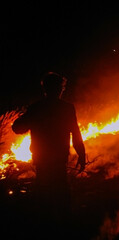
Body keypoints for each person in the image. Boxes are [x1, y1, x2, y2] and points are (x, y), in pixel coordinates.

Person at [12, 71, 86, 236]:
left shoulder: (37, 108)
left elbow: (18, 128)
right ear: (60, 89)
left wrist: (25, 116)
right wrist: (81, 155)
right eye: (60, 87)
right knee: (62, 196)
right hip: (58, 160)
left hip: (42, 160)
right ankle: (65, 230)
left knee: (45, 197)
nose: (60, 90)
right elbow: (76, 133)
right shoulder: (66, 108)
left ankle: (46, 230)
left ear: (45, 89)